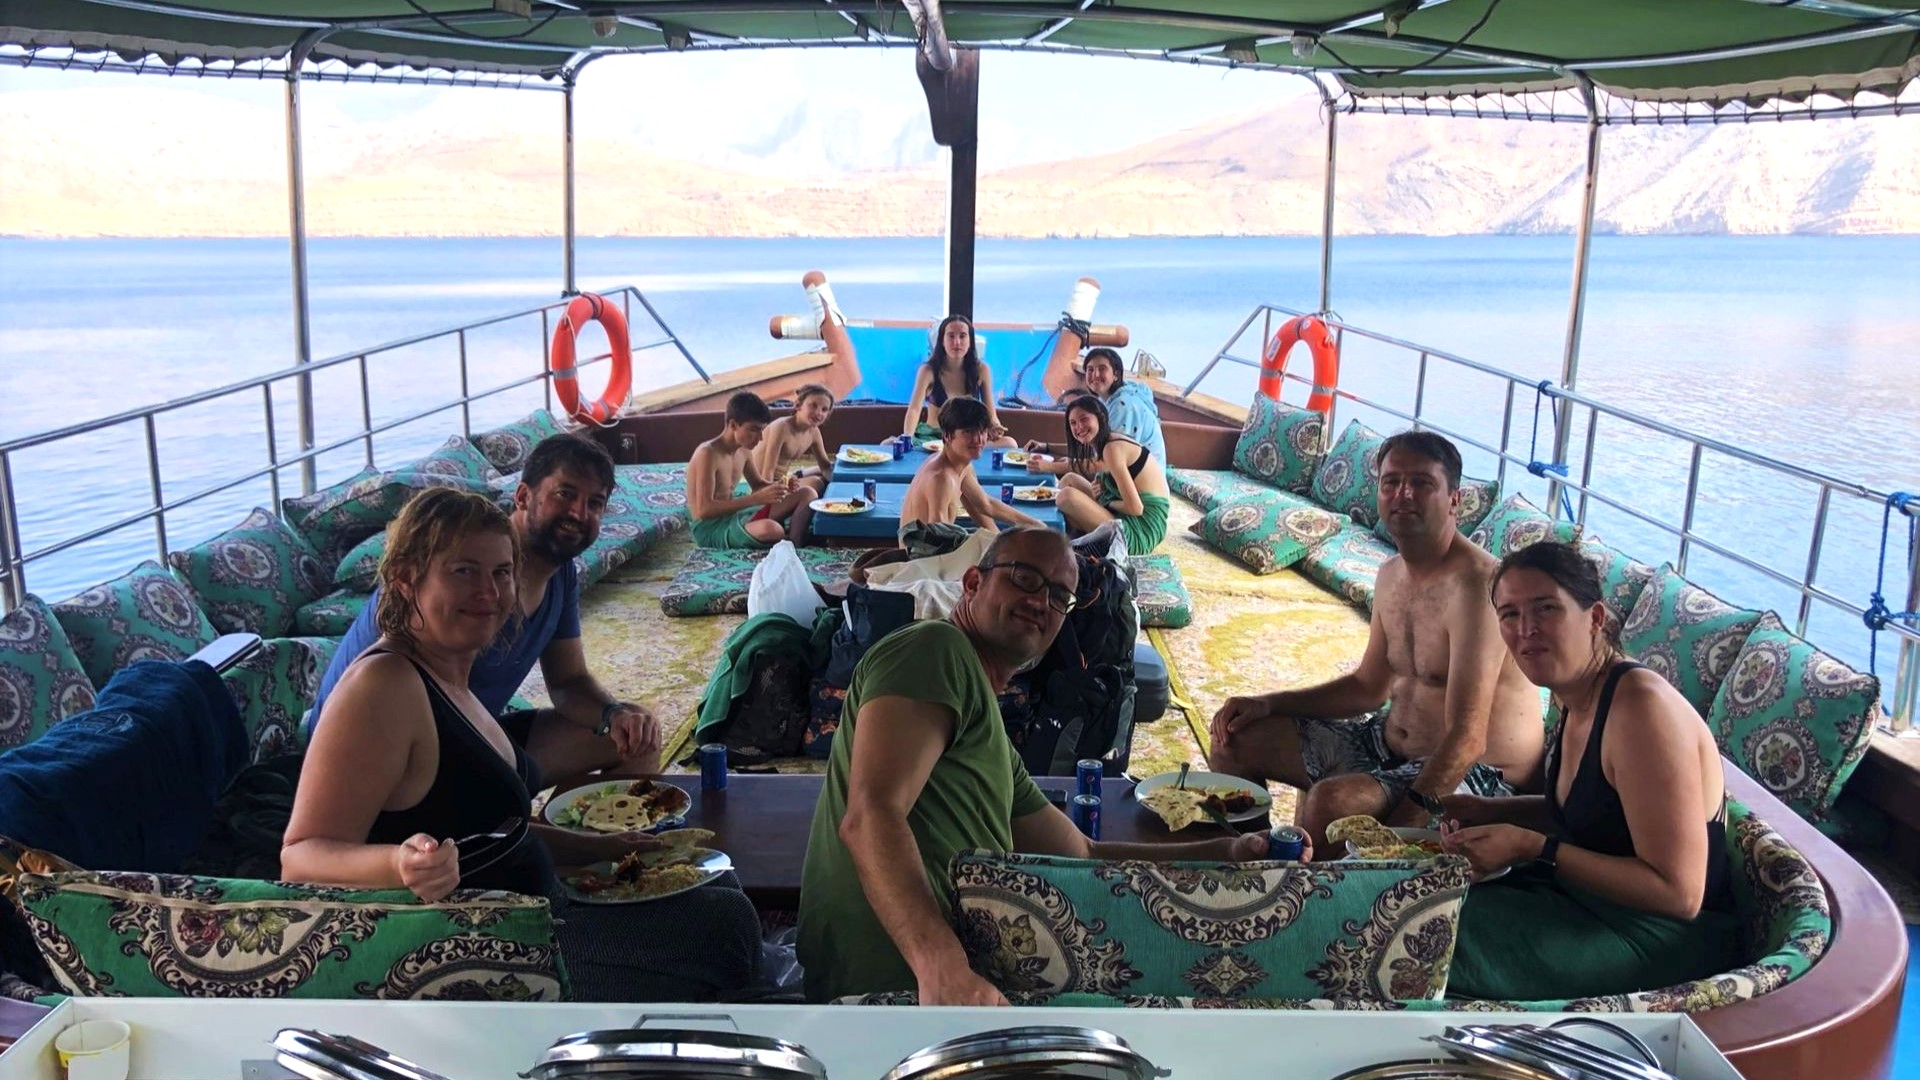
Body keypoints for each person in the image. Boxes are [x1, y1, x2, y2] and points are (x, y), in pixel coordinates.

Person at [283, 488, 761, 1001]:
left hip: (534, 910)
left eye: (502, 572)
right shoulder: (384, 684)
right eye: (464, 571)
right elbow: (300, 857)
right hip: (483, 949)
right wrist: (399, 864)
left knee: (711, 879)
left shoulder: (449, 674)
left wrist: (603, 847)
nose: (488, 591)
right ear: (406, 578)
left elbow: (488, 829)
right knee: (721, 926)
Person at [797, 528, 1297, 1004]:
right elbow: (871, 816)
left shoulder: (991, 737)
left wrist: (1225, 853)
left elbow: (1082, 852)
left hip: (963, 983)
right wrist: (940, 965)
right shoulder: (932, 649)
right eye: (1024, 578)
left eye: (1060, 596)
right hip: (894, 988)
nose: (1041, 602)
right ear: (972, 583)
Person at [1207, 431, 1544, 851]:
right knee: (1234, 739)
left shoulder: (1480, 587)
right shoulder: (1391, 575)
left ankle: (1314, 889)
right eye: (1391, 482)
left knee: (1332, 803)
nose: (1404, 493)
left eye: (1422, 483)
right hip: (1386, 747)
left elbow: (1467, 739)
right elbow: (1368, 688)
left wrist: (1395, 836)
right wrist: (1268, 704)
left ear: (1454, 500)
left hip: (1479, 775)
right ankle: (1256, 864)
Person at [1440, 541, 1742, 1000]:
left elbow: (1680, 894)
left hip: (1658, 939)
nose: (1526, 629)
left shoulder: (1640, 710)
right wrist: (1489, 810)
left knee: (1414, 938)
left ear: (1595, 618)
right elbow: (1593, 813)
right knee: (1421, 900)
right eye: (1509, 614)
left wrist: (1532, 846)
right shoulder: (1576, 695)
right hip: (1583, 901)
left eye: (1546, 608)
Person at [311, 433, 661, 780]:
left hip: (476, 734)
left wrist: (613, 714)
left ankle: (593, 814)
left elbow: (568, 680)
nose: (578, 513)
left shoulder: (560, 572)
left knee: (636, 736)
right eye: (565, 494)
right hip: (395, 757)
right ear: (522, 496)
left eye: (594, 503)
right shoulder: (453, 597)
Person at [897, 396, 1046, 553]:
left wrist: (1035, 524)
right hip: (919, 561)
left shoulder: (961, 465)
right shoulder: (941, 478)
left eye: (982, 431)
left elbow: (986, 505)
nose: (978, 439)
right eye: (968, 432)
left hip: (938, 554)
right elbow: (939, 541)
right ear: (947, 435)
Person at [1041, 395, 1171, 556]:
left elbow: (1136, 508)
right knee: (1069, 480)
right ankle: (1071, 540)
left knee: (1066, 497)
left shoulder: (1112, 448)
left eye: (1084, 419)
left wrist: (1106, 501)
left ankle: (1063, 547)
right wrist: (1105, 488)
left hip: (1140, 530)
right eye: (1073, 423)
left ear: (1101, 418)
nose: (1079, 427)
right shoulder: (1105, 442)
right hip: (1127, 516)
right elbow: (1091, 467)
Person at [687, 391, 817, 549]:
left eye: (762, 430)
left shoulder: (743, 450)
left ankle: (796, 545)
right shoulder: (707, 454)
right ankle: (787, 541)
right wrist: (755, 499)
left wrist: (781, 487)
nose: (760, 438)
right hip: (711, 529)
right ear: (733, 425)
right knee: (771, 529)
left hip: (736, 515)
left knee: (808, 493)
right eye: (754, 429)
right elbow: (703, 510)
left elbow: (758, 485)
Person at [903, 315, 1016, 449]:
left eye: (962, 336)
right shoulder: (928, 370)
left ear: (970, 341)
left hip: (968, 439)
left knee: (1010, 443)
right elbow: (914, 410)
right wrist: (907, 438)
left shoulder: (981, 370)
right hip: (933, 440)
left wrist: (995, 427)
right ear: (942, 341)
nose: (957, 342)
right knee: (887, 444)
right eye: (951, 336)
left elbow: (991, 414)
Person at [752, 383, 837, 486]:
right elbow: (768, 471)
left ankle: (798, 475)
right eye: (813, 406)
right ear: (798, 405)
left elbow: (825, 467)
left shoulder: (814, 432)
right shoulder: (781, 427)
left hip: (784, 479)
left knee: (830, 469)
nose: (819, 413)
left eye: (824, 409)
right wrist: (769, 493)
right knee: (816, 483)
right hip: (764, 482)